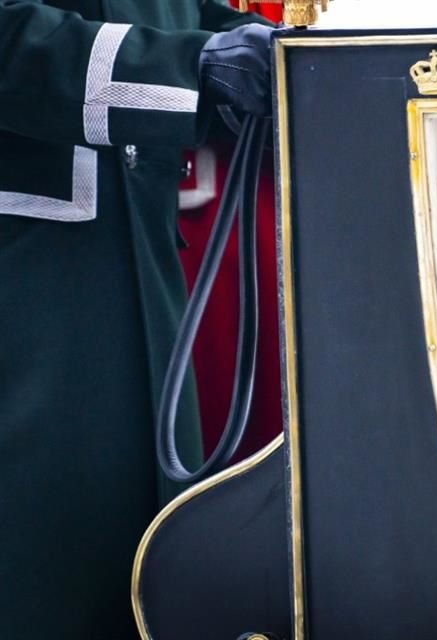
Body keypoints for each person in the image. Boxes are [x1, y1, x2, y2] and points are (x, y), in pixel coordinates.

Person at [0, 1, 272, 637]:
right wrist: (185, 69)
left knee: (146, 558)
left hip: (143, 265)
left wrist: (284, 55)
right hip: (26, 278)